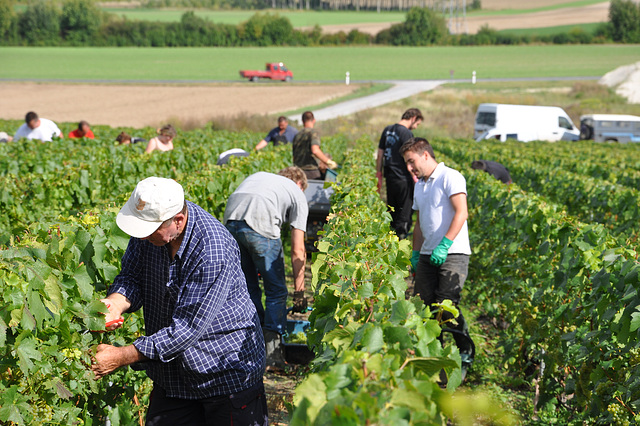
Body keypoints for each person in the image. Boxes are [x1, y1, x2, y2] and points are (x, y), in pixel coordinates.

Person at [91, 177, 267, 425]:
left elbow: (186, 329)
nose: (141, 237)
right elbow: (132, 276)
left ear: (178, 221)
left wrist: (120, 356)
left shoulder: (213, 248)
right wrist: (115, 303)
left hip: (223, 372)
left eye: (149, 231)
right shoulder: (151, 232)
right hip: (173, 376)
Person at [224, 167, 309, 371]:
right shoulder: (297, 193)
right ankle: (272, 356)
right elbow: (298, 250)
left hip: (230, 222)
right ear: (300, 184)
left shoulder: (259, 177)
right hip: (260, 223)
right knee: (277, 291)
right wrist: (299, 292)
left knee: (247, 288)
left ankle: (251, 348)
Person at [400, 137, 474, 366]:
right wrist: (415, 253)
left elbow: (462, 212)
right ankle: (435, 353)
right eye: (406, 164)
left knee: (446, 305)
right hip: (426, 253)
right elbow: (420, 223)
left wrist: (444, 244)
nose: (410, 168)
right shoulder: (420, 185)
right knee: (423, 305)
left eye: (412, 162)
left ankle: (465, 347)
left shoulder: (450, 176)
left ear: (425, 155)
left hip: (453, 252)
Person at [376, 108, 423, 240]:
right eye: (417, 124)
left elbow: (380, 154)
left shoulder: (387, 130)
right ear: (413, 118)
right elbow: (410, 158)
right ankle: (399, 242)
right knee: (405, 213)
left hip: (390, 178)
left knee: (392, 210)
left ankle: (389, 241)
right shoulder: (406, 133)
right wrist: (416, 177)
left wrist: (378, 174)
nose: (416, 127)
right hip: (403, 178)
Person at [292, 111, 337, 180]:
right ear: (314, 120)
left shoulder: (297, 135)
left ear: (302, 121)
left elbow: (294, 156)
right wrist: (328, 161)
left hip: (298, 172)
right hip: (311, 171)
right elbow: (315, 150)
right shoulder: (313, 133)